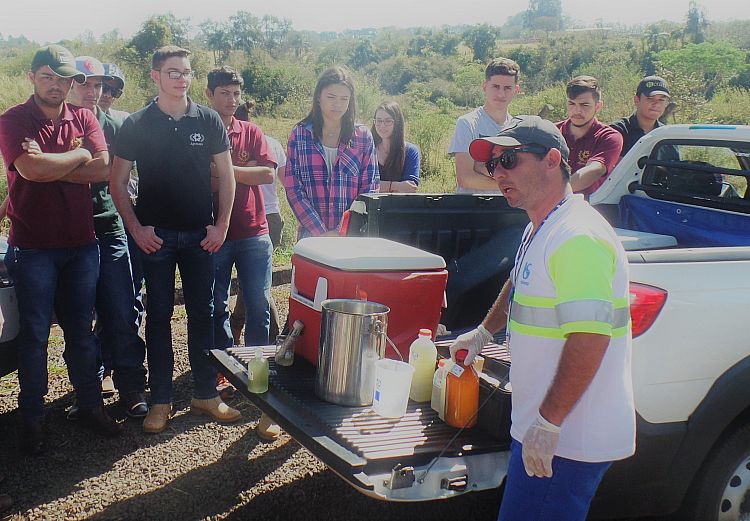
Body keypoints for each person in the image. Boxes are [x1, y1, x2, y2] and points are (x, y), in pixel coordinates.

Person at [452, 115, 636, 520]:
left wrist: (549, 423)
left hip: (567, 439)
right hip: (544, 428)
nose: (498, 173)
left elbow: (591, 337)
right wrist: (483, 332)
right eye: (492, 164)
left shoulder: (576, 238)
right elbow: (519, 282)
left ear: (553, 160)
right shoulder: (541, 226)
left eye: (510, 160)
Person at [110, 45, 240, 434]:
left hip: (202, 238)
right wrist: (136, 229)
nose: (181, 78)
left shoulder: (209, 120)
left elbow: (227, 176)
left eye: (185, 72)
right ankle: (162, 400)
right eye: (172, 72)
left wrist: (221, 226)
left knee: (205, 315)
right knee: (159, 318)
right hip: (157, 239)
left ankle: (204, 393)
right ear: (155, 76)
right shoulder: (136, 124)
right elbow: (117, 183)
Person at [0, 44, 122, 454]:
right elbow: (30, 171)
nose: (57, 85)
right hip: (33, 246)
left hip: (82, 245)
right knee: (34, 337)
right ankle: (33, 419)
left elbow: (104, 169)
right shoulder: (14, 120)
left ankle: (90, 406)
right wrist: (81, 154)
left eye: (64, 78)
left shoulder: (85, 116)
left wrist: (57, 162)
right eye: (48, 76)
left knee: (81, 334)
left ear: (74, 82)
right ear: (32, 77)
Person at [66, 55, 148, 419]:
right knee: (77, 318)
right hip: (67, 233)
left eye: (99, 85)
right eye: (84, 83)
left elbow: (132, 173)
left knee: (122, 307)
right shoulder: (55, 125)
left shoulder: (118, 124)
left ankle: (132, 385)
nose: (93, 91)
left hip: (111, 226)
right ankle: (90, 389)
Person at [284, 65, 379, 239]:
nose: (338, 104)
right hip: (311, 237)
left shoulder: (362, 137)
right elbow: (293, 188)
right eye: (331, 97)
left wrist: (342, 230)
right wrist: (321, 233)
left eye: (344, 99)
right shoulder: (300, 134)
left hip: (352, 237)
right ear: (319, 97)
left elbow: (369, 189)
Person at [231, 99, 285, 345]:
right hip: (270, 216)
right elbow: (285, 181)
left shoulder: (265, 142)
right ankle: (256, 338)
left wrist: (235, 170)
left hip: (262, 217)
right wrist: (249, 169)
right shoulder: (271, 142)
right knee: (253, 288)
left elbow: (271, 175)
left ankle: (262, 340)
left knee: (255, 289)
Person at [448, 57, 521, 194]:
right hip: (473, 210)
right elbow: (465, 178)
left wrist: (481, 167)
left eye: (507, 88)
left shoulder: (517, 129)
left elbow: (523, 174)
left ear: (516, 90)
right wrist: (512, 184)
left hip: (507, 210)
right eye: (495, 86)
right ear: (484, 86)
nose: (501, 94)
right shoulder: (467, 123)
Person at [555, 76, 623, 198]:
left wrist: (553, 193)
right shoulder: (552, 132)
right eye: (571, 103)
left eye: (584, 105)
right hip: (548, 208)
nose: (577, 110)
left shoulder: (609, 137)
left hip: (589, 208)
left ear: (598, 106)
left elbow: (594, 170)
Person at [610, 75, 672, 158]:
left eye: (661, 100)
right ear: (636, 100)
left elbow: (675, 168)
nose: (656, 104)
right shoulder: (618, 131)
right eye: (650, 98)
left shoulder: (667, 134)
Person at [371, 101, 420, 193]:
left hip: (399, 206)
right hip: (370, 205)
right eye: (379, 120)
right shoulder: (368, 149)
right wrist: (396, 186)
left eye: (388, 121)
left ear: (397, 123)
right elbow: (364, 185)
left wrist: (379, 186)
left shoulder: (410, 151)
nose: (382, 125)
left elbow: (410, 187)